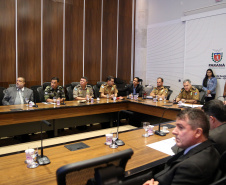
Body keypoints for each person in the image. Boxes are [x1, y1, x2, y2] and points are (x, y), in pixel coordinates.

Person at [143, 108, 220, 185]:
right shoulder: (211, 148)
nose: (174, 132)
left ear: (198, 132)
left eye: (181, 127)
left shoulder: (190, 167)